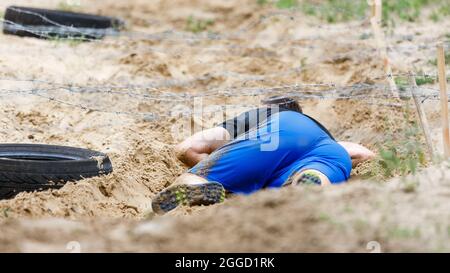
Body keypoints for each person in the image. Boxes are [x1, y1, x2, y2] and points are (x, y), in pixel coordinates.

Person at [152, 97, 375, 214]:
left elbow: (187, 148)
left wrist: (230, 174)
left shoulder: (260, 118)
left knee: (201, 178)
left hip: (275, 136)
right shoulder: (322, 134)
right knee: (312, 175)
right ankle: (311, 182)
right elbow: (363, 154)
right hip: (329, 153)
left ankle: (199, 186)